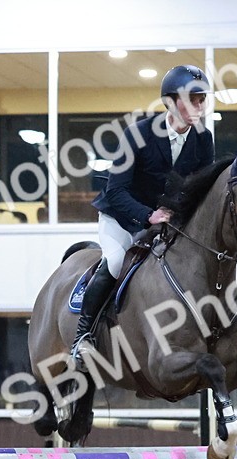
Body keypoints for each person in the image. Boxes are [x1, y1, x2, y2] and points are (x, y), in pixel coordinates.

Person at [70, 64, 216, 370]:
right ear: (170, 102)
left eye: (202, 99)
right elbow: (116, 192)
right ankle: (83, 337)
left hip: (168, 223)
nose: (199, 106)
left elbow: (201, 189)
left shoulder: (202, 139)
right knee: (114, 262)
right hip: (124, 219)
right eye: (192, 99)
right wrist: (148, 216)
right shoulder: (137, 134)